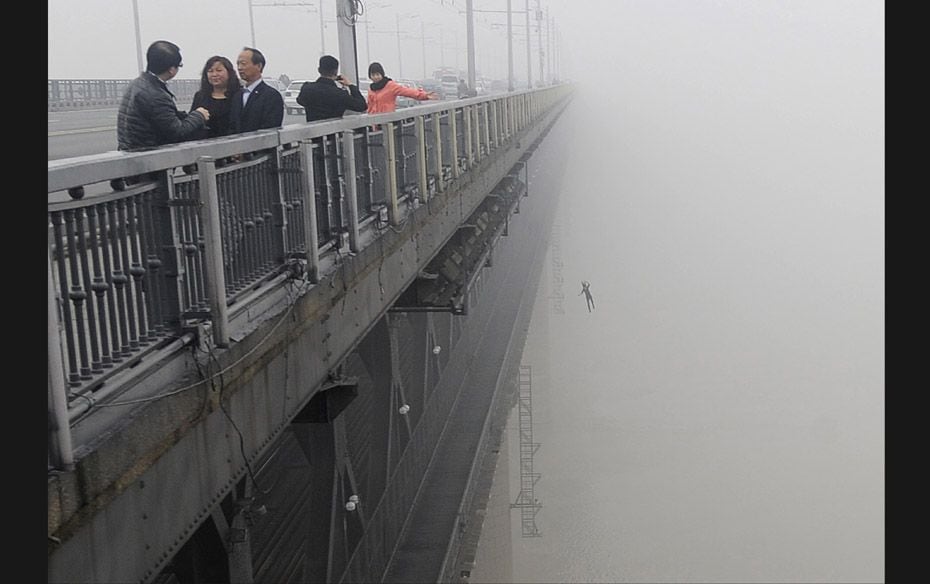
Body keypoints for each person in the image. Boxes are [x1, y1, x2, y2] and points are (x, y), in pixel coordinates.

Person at [116, 40, 210, 151]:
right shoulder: (156, 95)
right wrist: (199, 115)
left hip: (130, 151)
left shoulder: (137, 83)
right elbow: (178, 132)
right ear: (171, 70)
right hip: (146, 158)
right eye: (179, 65)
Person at [296, 55, 367, 122]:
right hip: (333, 133)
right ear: (336, 72)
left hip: (313, 133)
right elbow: (362, 106)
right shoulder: (340, 94)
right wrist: (351, 85)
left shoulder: (307, 88)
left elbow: (300, 100)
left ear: (319, 70)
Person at [230, 47, 285, 133]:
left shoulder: (271, 96)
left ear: (259, 66)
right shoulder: (237, 95)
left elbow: (271, 128)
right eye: (238, 64)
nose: (239, 68)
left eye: (243, 64)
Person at [190, 55, 241, 139]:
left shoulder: (239, 95)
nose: (214, 74)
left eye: (219, 70)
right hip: (205, 145)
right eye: (210, 71)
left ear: (229, 73)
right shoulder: (200, 96)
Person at [365, 62, 438, 114]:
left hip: (387, 122)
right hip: (374, 124)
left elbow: (407, 91)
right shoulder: (371, 89)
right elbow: (370, 107)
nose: (375, 77)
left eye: (377, 74)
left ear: (382, 74)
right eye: (373, 75)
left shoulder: (390, 85)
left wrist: (424, 95)